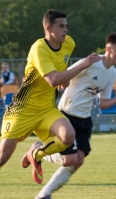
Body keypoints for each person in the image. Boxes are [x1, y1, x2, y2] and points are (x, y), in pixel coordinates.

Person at [22, 32, 116, 199]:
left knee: (77, 161)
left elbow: (102, 104)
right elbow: (66, 75)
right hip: (67, 115)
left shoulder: (112, 73)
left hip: (85, 119)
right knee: (70, 159)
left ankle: (43, 195)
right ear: (109, 49)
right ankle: (37, 150)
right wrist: (64, 81)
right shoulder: (92, 62)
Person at [0, 9, 101, 186]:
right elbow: (53, 79)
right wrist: (83, 65)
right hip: (23, 109)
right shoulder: (39, 48)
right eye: (61, 26)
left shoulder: (68, 44)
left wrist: (65, 79)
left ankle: (36, 154)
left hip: (47, 108)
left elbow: (59, 74)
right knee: (2, 157)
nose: (66, 30)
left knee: (68, 136)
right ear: (49, 28)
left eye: (66, 26)